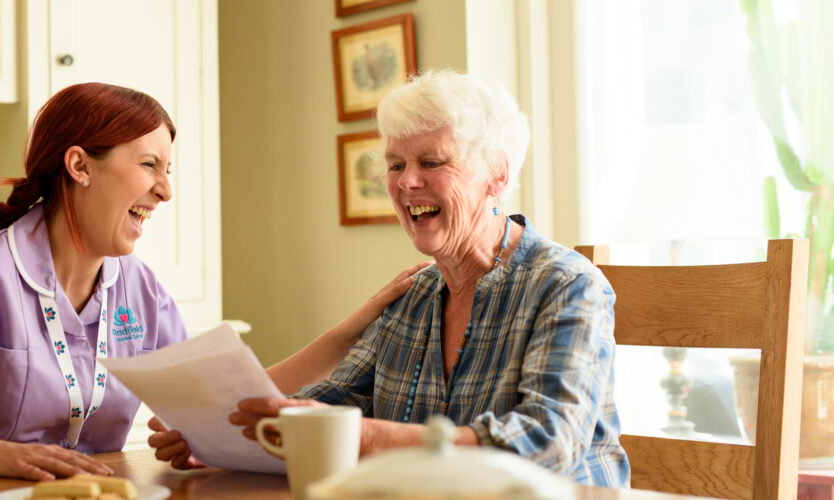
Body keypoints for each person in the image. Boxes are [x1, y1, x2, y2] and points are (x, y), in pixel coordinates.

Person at [0, 82, 420, 482]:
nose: (166, 189)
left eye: (168, 168)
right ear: (79, 166)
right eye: (148, 164)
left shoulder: (139, 287)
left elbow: (229, 404)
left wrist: (356, 324)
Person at [150, 70, 630, 487]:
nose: (405, 182)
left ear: (497, 175)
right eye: (396, 164)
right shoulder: (414, 295)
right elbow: (329, 404)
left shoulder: (566, 284)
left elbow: (549, 442)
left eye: (431, 162)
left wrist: (367, 436)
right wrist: (228, 440)